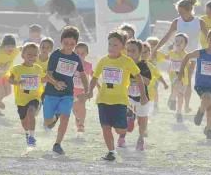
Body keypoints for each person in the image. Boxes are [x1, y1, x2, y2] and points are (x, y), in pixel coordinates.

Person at [88, 30, 142, 161]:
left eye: (115, 45)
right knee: (105, 127)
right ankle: (111, 152)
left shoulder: (127, 61)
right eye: (110, 44)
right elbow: (95, 77)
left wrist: (144, 95)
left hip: (120, 101)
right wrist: (90, 91)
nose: (111, 47)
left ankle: (127, 121)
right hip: (103, 99)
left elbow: (138, 77)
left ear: (122, 48)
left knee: (120, 130)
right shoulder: (103, 61)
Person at [42, 26, 87, 156]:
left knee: (66, 117)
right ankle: (54, 117)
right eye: (66, 43)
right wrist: (55, 83)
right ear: (61, 41)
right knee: (47, 122)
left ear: (76, 44)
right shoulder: (55, 55)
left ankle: (57, 144)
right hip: (51, 93)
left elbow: (83, 75)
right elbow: (48, 74)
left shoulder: (76, 58)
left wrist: (87, 90)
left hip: (67, 94)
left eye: (72, 44)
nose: (68, 46)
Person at [179, 28, 211, 141]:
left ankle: (208, 129)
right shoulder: (201, 53)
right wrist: (181, 73)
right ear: (207, 40)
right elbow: (187, 56)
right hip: (202, 84)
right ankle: (200, 112)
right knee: (207, 97)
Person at [6, 42, 44, 150]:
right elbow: (10, 79)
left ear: (38, 55)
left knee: (31, 112)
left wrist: (55, 83)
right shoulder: (17, 69)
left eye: (35, 55)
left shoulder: (38, 68)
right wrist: (17, 82)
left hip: (34, 97)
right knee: (24, 122)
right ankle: (27, 133)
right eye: (29, 55)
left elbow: (44, 78)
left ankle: (32, 137)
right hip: (21, 100)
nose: (32, 57)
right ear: (23, 55)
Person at [165, 33, 191, 121]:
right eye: (176, 41)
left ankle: (179, 112)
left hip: (184, 78)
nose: (178, 43)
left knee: (180, 95)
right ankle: (172, 99)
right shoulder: (171, 53)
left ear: (185, 45)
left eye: (181, 41)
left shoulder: (185, 55)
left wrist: (180, 55)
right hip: (174, 76)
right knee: (176, 85)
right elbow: (168, 59)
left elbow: (188, 64)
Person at [71, 41, 92, 135]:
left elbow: (93, 75)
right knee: (75, 110)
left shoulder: (88, 65)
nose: (79, 55)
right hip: (71, 91)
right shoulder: (71, 64)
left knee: (82, 105)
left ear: (86, 54)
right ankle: (78, 121)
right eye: (77, 53)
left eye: (82, 53)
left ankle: (81, 124)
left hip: (82, 90)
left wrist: (97, 87)